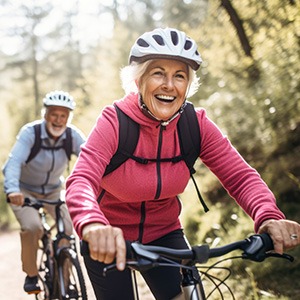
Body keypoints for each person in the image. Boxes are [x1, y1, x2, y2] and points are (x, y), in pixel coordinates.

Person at [65, 28, 300, 300]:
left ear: (188, 85)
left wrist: (269, 216)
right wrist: (92, 224)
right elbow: (81, 180)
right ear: (138, 80)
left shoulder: (194, 125)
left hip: (165, 234)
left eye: (180, 76)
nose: (169, 84)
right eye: (158, 73)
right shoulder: (115, 121)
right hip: (108, 235)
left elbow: (240, 176)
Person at [2, 90, 86, 295]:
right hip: (24, 192)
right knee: (32, 228)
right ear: (45, 115)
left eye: (63, 115)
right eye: (54, 114)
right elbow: (13, 164)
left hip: (53, 191)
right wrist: (13, 189)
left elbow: (90, 158)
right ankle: (31, 275)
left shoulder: (71, 136)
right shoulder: (31, 133)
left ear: (68, 118)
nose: (58, 120)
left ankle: (65, 281)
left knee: (68, 227)